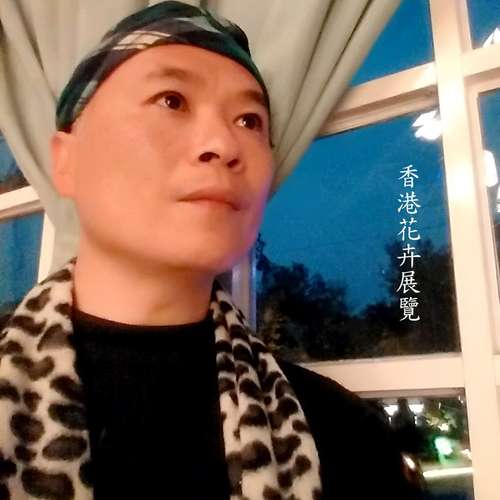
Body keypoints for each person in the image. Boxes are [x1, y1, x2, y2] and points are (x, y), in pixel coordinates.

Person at [0, 2, 423, 499]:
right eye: (172, 100)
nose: (224, 143)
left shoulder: (345, 438)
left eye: (249, 120)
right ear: (66, 161)